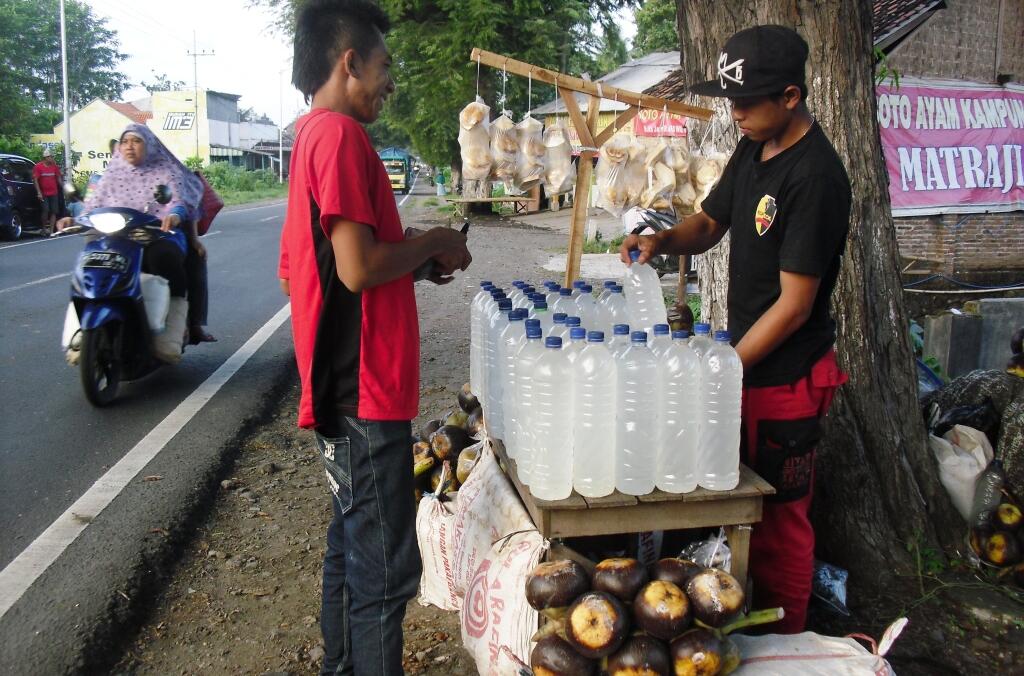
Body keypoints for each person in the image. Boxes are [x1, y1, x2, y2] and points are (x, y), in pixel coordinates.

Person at [620, 25, 851, 634]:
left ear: (793, 97)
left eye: (747, 102)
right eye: (731, 100)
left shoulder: (816, 177)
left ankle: (788, 642)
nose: (736, 114)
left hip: (788, 376)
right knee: (737, 508)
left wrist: (722, 371)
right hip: (745, 367)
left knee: (781, 520)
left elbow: (796, 304)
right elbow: (710, 222)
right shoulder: (755, 146)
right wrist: (661, 240)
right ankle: (742, 627)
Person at [278, 2, 471, 673]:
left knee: (351, 545)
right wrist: (434, 242)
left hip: (343, 382)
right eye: (384, 66)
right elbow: (358, 269)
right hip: (364, 388)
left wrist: (413, 263)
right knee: (386, 569)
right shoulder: (337, 136)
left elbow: (315, 269)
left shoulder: (311, 134)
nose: (390, 82)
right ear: (350, 61)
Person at [58, 125, 204, 363]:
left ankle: (171, 331)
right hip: (116, 235)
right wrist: (73, 219)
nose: (129, 146)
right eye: (125, 141)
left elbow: (177, 200)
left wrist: (174, 214)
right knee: (89, 263)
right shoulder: (111, 173)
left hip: (157, 232)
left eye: (136, 141)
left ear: (148, 146)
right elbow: (92, 205)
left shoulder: (166, 171)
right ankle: (80, 330)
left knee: (163, 259)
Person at [33, 150, 63, 234]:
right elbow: (35, 180)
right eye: (51, 156)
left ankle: (51, 230)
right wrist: (39, 192)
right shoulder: (38, 167)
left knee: (54, 211)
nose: (52, 158)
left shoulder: (54, 167)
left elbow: (58, 178)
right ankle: (43, 228)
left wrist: (63, 187)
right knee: (45, 210)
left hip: (54, 192)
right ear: (46, 157)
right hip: (44, 193)